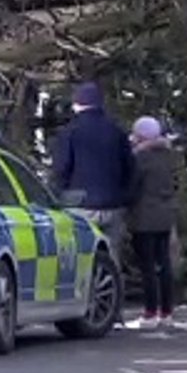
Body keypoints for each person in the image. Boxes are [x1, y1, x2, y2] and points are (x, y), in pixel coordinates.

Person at [52, 82, 134, 250]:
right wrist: (125, 197)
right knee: (111, 256)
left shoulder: (70, 131)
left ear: (77, 104)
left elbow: (61, 168)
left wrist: (58, 196)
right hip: (113, 203)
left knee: (83, 256)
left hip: (80, 205)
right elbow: (130, 168)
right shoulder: (116, 131)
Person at [124, 117, 187, 330]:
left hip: (144, 215)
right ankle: (167, 312)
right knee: (164, 264)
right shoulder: (168, 156)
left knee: (147, 266)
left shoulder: (140, 158)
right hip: (165, 213)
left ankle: (150, 312)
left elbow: (132, 186)